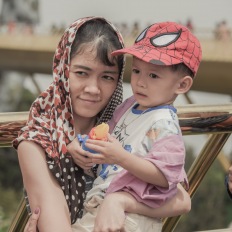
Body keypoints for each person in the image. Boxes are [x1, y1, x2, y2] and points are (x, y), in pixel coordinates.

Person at [14, 17, 191, 232]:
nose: (93, 88)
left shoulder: (122, 125)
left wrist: (118, 202)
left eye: (107, 77)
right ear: (63, 71)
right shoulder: (39, 143)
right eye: (81, 73)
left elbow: (182, 199)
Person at [70, 21, 202, 231]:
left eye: (153, 75)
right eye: (137, 71)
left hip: (133, 216)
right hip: (103, 205)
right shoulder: (129, 106)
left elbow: (165, 176)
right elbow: (107, 143)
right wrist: (82, 146)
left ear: (182, 85)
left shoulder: (164, 123)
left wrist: (120, 156)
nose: (140, 82)